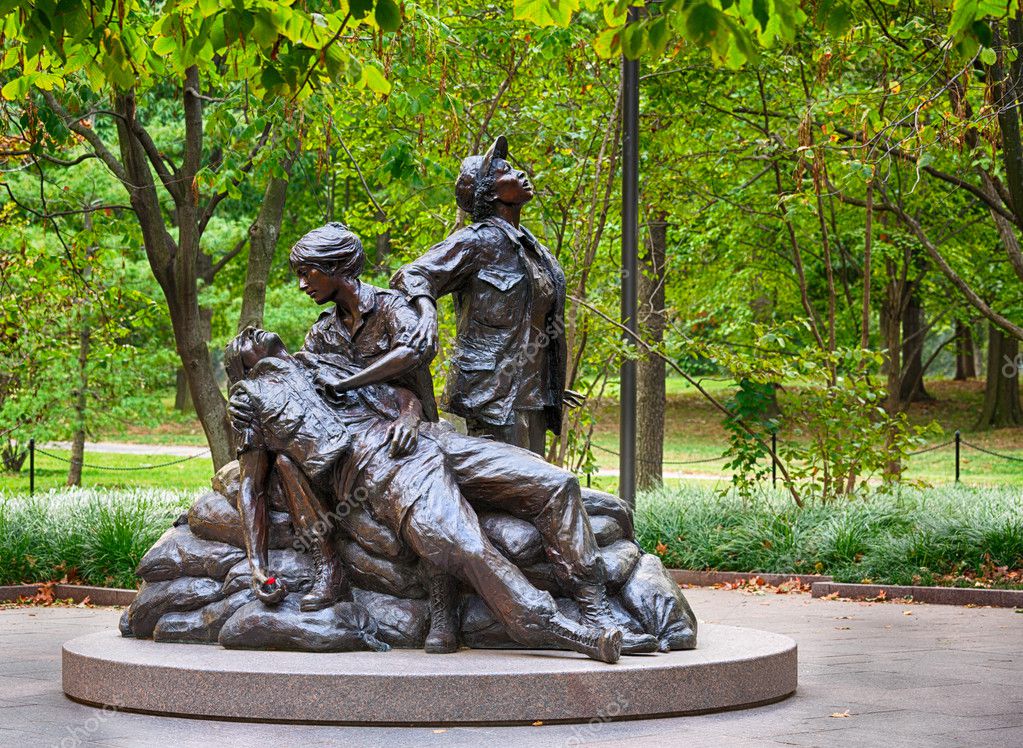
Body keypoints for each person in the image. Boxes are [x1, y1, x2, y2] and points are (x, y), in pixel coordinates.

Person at [224, 328, 632, 663]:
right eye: (243, 340)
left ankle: (594, 604)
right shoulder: (250, 400)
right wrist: (257, 566)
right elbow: (252, 487)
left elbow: (401, 394)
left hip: (430, 439)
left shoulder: (320, 360)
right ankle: (558, 628)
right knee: (462, 543)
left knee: (556, 484)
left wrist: (408, 416)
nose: (252, 330)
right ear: (242, 368)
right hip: (386, 466)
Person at [390, 136, 583, 456]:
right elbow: (411, 274)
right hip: (491, 400)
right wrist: (426, 312)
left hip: (532, 399)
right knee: (508, 496)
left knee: (536, 496)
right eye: (505, 171)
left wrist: (549, 383)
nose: (520, 173)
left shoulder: (537, 252)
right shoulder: (475, 243)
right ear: (489, 192)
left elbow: (534, 324)